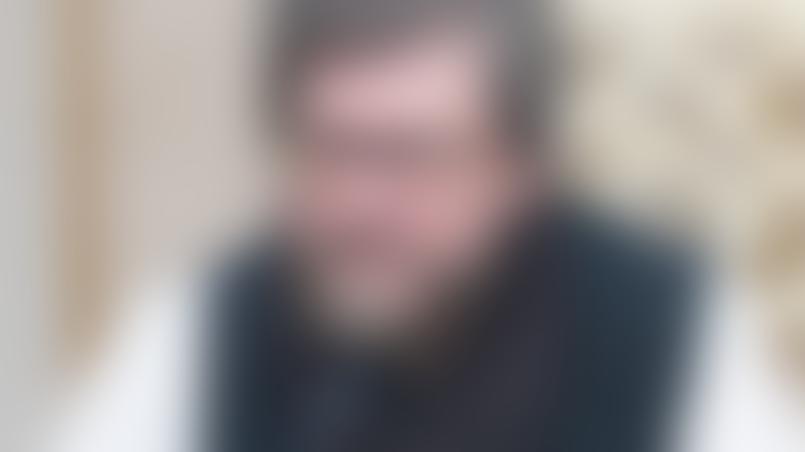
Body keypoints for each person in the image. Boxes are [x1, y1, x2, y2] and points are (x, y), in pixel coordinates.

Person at [54, 1, 694, 451]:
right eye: (329, 150)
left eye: (407, 156)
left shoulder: (659, 332)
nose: (357, 204)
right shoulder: (209, 328)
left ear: (521, 171)